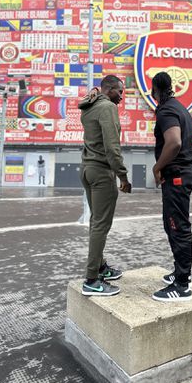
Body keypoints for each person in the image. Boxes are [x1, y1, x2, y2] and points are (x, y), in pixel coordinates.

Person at [79, 75, 132, 297]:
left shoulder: (89, 106)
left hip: (87, 170)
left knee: (95, 222)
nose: (121, 96)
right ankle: (91, 279)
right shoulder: (107, 107)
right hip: (101, 173)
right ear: (108, 89)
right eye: (119, 91)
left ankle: (101, 267)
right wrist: (123, 176)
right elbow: (112, 146)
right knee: (101, 225)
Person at [151, 72, 192, 302]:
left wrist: (156, 167)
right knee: (171, 225)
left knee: (177, 227)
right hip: (182, 173)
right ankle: (180, 273)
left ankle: (182, 285)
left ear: (155, 90)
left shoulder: (166, 109)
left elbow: (174, 142)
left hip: (176, 174)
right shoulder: (180, 107)